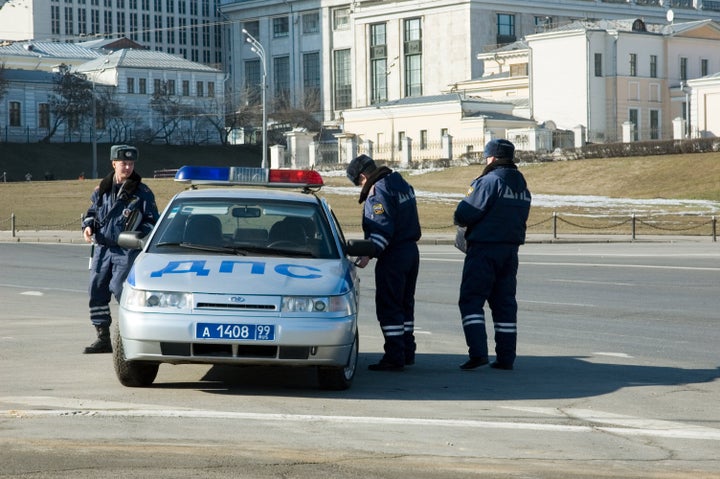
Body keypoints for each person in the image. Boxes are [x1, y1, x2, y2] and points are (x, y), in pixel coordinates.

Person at [454, 139, 531, 371]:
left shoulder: (488, 182)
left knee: (471, 300)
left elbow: (465, 213)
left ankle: (478, 354)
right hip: (510, 251)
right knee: (504, 304)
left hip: (483, 250)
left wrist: (459, 216)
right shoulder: (521, 185)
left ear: (492, 158)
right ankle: (506, 357)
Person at [346, 154, 422, 371]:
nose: (360, 186)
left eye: (357, 183)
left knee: (389, 306)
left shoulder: (377, 191)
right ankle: (408, 351)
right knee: (405, 305)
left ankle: (394, 356)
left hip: (393, 255)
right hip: (410, 251)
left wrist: (368, 253)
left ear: (362, 176)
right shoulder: (400, 182)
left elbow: (381, 229)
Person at [81, 145, 159, 354]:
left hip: (126, 251)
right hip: (102, 249)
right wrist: (88, 226)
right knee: (96, 290)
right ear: (113, 163)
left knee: (120, 289)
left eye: (131, 164)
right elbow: (91, 213)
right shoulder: (102, 190)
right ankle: (102, 337)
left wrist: (138, 236)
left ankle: (128, 336)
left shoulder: (142, 193)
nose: (127, 167)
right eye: (123, 163)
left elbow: (152, 222)